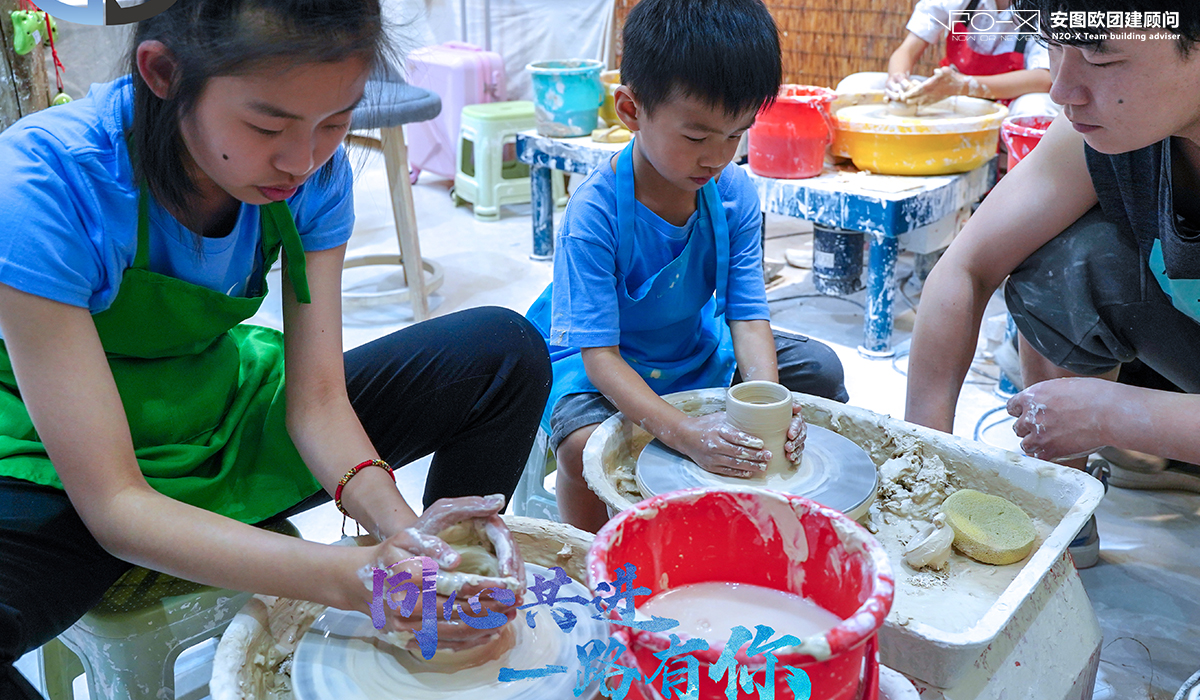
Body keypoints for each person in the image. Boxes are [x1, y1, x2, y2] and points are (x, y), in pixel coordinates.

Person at [0, 1, 551, 696]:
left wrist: (409, 542)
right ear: (164, 73)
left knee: (502, 352)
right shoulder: (43, 185)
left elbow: (317, 403)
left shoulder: (313, 172)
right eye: (268, 126)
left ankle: (441, 616)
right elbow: (114, 503)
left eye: (336, 121)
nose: (303, 159)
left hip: (219, 418)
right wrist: (350, 579)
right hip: (60, 468)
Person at [526, 0, 848, 534]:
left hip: (691, 344)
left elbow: (747, 315)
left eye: (736, 134)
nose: (716, 157)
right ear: (631, 110)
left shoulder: (734, 192)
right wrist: (684, 433)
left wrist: (769, 406)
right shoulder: (593, 214)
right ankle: (589, 554)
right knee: (585, 447)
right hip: (598, 360)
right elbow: (600, 357)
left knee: (819, 370)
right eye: (696, 137)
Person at [904, 0, 1200, 577]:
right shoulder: (1096, 134)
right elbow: (966, 269)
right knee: (1057, 264)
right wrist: (922, 459)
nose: (1062, 90)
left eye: (1101, 58)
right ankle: (1064, 501)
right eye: (1055, 49)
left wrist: (1121, 414)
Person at [838, 0, 1058, 119]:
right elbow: (907, 50)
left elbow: (1044, 78)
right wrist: (898, 80)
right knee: (856, 85)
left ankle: (1020, 183)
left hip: (1010, 102)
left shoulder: (1049, 8)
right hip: (951, 96)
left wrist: (962, 85)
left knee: (1037, 108)